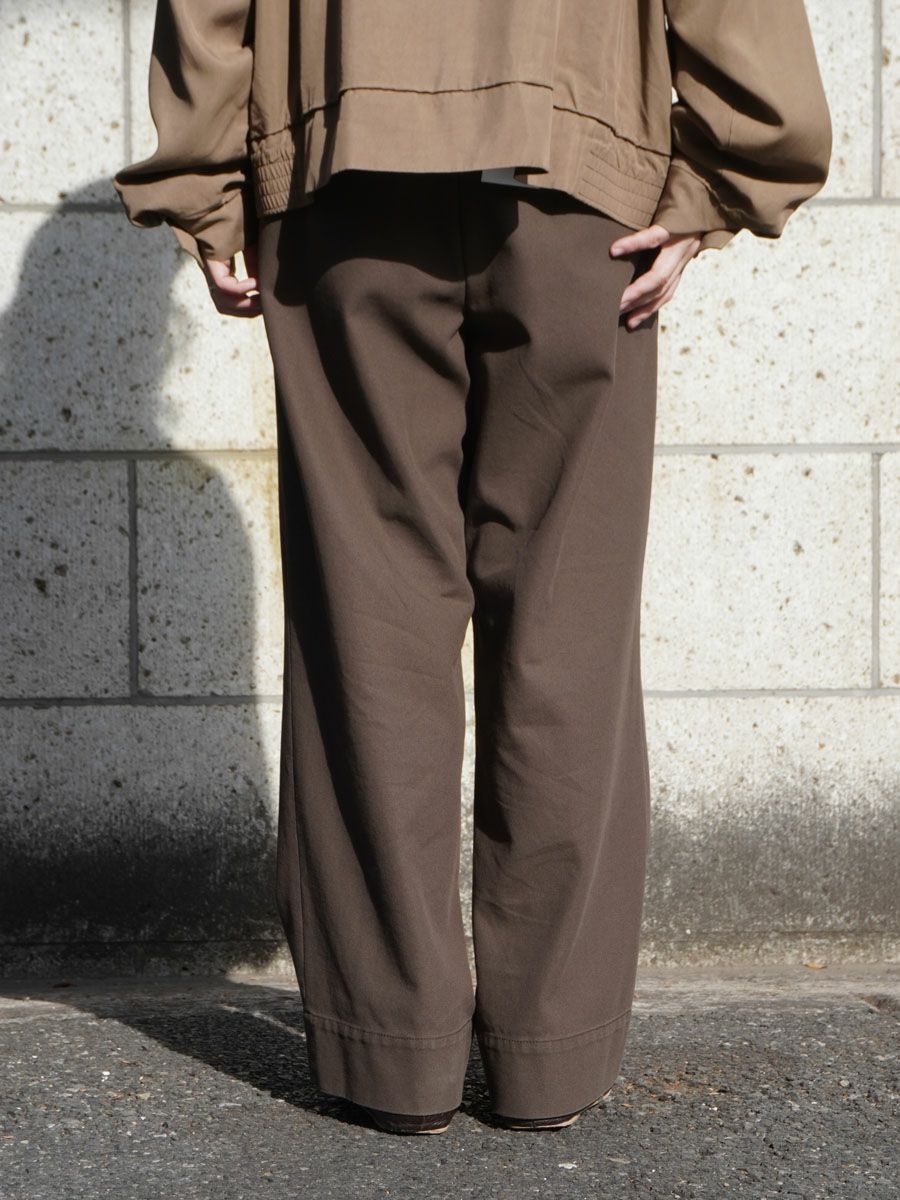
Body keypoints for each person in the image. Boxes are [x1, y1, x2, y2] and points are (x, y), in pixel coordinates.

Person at [113, 0, 832, 1135]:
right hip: (577, 186)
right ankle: (551, 1055)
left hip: (347, 177)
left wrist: (205, 184)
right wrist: (723, 178)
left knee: (370, 622)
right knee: (569, 621)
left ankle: (390, 1055)